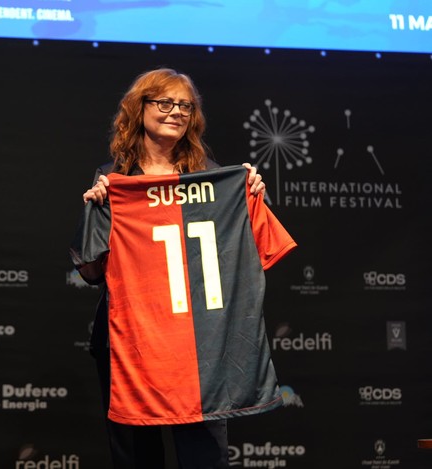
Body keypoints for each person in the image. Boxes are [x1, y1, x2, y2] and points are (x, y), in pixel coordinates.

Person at [70, 68, 294, 469]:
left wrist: (250, 195)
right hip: (131, 340)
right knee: (138, 456)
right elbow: (90, 272)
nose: (176, 112)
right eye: (165, 103)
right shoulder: (113, 180)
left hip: (202, 341)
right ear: (140, 109)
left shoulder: (214, 177)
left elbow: (246, 252)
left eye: (185, 106)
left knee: (205, 456)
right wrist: (96, 211)